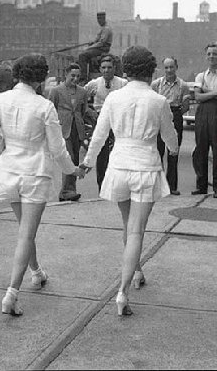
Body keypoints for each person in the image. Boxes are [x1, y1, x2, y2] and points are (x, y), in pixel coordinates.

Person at [78, 46, 178, 317]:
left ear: (126, 69)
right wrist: (174, 149)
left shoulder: (113, 98)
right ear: (151, 69)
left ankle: (135, 271)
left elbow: (98, 136)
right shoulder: (158, 101)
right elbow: (170, 138)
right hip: (145, 167)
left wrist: (87, 163)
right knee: (136, 230)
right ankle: (122, 291)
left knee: (127, 224)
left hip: (119, 165)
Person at [0, 53, 85, 316]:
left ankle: (37, 272)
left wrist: (6, 148)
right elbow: (58, 148)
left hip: (8, 171)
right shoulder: (43, 106)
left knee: (24, 230)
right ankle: (11, 294)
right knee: (26, 234)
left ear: (18, 74)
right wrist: (72, 170)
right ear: (40, 78)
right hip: (35, 174)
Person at [191, 43, 217, 198]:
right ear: (205, 56)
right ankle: (201, 186)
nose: (211, 57)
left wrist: (207, 91)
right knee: (201, 150)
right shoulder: (200, 76)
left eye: (214, 54)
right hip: (203, 114)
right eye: (209, 54)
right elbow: (197, 97)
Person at [47, 63, 90, 201]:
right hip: (62, 129)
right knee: (69, 157)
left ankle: (69, 190)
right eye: (73, 75)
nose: (75, 78)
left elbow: (83, 110)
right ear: (66, 75)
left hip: (77, 129)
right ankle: (67, 191)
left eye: (78, 76)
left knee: (75, 158)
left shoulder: (83, 92)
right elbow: (50, 109)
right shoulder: (56, 91)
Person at [84, 55, 128, 188]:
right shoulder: (94, 83)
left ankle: (117, 184)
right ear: (100, 69)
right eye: (103, 68)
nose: (106, 70)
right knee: (101, 153)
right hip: (100, 119)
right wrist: (88, 109)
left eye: (109, 67)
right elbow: (81, 97)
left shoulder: (123, 83)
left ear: (114, 68)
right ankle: (102, 185)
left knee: (118, 151)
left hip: (117, 120)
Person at [150, 57, 190, 195]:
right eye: (166, 67)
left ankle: (172, 186)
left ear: (176, 67)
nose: (169, 70)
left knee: (173, 152)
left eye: (171, 67)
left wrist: (175, 115)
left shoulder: (183, 85)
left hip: (175, 115)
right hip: (159, 117)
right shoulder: (156, 84)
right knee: (158, 152)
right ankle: (159, 186)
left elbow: (185, 106)